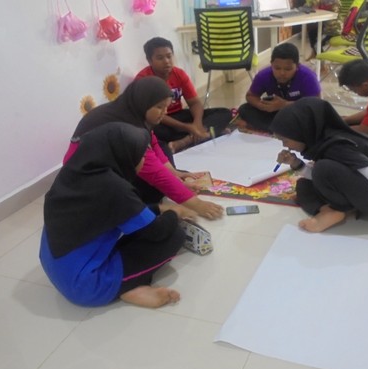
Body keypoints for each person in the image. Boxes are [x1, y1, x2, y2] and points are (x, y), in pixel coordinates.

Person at [41, 123, 186, 308]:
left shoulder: (73, 173)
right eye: (142, 155)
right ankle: (127, 287)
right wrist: (174, 213)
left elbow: (127, 214)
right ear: (125, 155)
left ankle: (126, 282)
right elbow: (158, 232)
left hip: (56, 269)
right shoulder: (115, 190)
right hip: (87, 286)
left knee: (135, 229)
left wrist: (158, 209)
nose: (145, 160)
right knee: (175, 236)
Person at [65, 76, 224, 220]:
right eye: (159, 107)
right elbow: (152, 171)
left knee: (162, 152)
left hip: (110, 163)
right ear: (144, 102)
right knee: (151, 190)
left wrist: (175, 174)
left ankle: (169, 185)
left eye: (166, 107)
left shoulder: (132, 111)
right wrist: (197, 204)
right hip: (86, 179)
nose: (164, 112)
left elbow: (152, 142)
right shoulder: (126, 125)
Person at [270, 97, 368, 236]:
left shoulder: (337, 146)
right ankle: (329, 210)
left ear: (302, 132)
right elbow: (321, 177)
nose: (285, 145)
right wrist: (296, 164)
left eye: (285, 140)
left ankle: (339, 209)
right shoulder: (322, 141)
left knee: (322, 168)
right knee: (304, 185)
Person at [135, 37, 233, 153]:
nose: (166, 61)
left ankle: (185, 141)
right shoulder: (143, 79)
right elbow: (152, 114)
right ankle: (209, 133)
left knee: (224, 113)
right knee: (150, 131)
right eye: (160, 58)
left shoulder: (179, 74)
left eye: (169, 56)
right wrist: (186, 127)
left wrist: (197, 123)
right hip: (160, 120)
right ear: (150, 60)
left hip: (179, 114)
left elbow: (194, 103)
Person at [237, 43, 321, 132]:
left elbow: (315, 104)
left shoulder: (308, 76)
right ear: (271, 64)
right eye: (277, 68)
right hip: (274, 112)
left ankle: (274, 128)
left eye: (288, 69)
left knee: (315, 118)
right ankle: (280, 129)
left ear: (297, 66)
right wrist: (261, 105)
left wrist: (284, 105)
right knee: (244, 109)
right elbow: (250, 96)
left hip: (297, 112)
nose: (282, 73)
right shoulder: (263, 75)